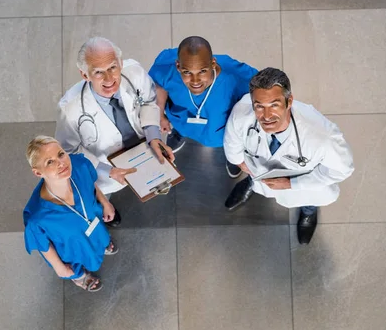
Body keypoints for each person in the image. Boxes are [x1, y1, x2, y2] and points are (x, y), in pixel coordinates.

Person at [224, 68, 354, 244]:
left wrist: (291, 183)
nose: (267, 116)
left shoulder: (323, 136)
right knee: (257, 176)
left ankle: (308, 212)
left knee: (309, 198)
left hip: (304, 184)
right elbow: (232, 141)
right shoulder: (242, 113)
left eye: (274, 105)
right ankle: (250, 183)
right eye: (259, 106)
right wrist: (239, 162)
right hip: (258, 173)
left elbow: (341, 171)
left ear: (289, 101)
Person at [55, 37, 174, 226]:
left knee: (153, 176)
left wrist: (154, 137)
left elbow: (150, 101)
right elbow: (68, 151)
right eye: (98, 73)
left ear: (120, 63)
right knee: (104, 195)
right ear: (85, 75)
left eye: (112, 67)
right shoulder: (70, 108)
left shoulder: (133, 72)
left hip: (144, 148)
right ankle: (105, 207)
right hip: (105, 168)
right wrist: (108, 171)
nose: (110, 79)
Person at [149, 36, 257, 179]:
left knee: (231, 149)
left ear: (213, 63)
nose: (195, 81)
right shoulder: (166, 65)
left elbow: (263, 96)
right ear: (178, 66)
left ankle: (231, 156)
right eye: (187, 72)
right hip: (181, 121)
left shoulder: (239, 76)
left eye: (202, 71)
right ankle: (180, 134)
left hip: (223, 133)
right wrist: (160, 113)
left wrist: (237, 156)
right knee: (181, 128)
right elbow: (159, 83)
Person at [23, 136, 119, 292]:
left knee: (100, 237)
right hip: (72, 247)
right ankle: (80, 277)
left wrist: (105, 202)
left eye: (60, 154)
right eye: (50, 162)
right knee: (74, 264)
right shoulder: (38, 217)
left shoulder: (79, 165)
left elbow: (91, 183)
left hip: (94, 224)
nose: (61, 163)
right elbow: (43, 245)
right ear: (38, 173)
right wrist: (58, 267)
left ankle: (101, 245)